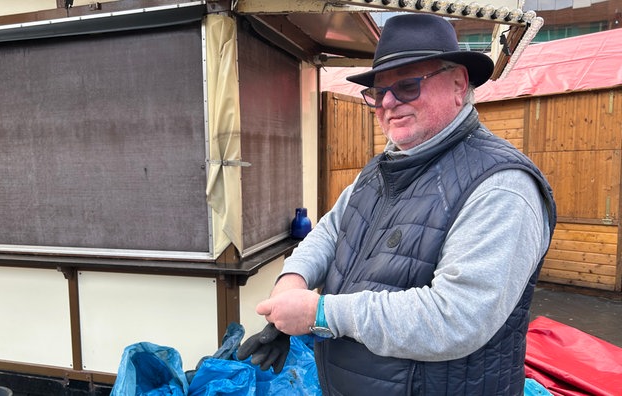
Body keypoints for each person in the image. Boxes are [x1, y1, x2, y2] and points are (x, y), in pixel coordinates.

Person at [237, 13, 557, 395]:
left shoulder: (501, 187)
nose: (388, 102)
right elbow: (330, 233)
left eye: (407, 85)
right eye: (377, 92)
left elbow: (455, 317)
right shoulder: (382, 169)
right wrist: (290, 287)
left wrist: (319, 313)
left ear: (458, 85)